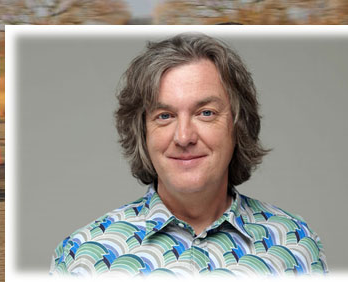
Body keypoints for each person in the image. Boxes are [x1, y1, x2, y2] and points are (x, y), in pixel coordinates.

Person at [50, 33, 327, 276]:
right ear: (142, 132)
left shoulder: (296, 244)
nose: (184, 137)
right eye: (165, 116)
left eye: (205, 113)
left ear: (238, 125)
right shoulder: (81, 258)